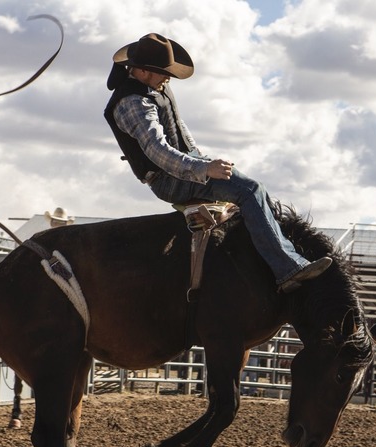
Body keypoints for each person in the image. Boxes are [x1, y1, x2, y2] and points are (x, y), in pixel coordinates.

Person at [104, 33, 332, 293]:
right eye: (162, 73)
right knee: (249, 190)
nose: (168, 78)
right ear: (143, 71)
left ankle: (277, 256)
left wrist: (202, 158)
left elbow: (179, 129)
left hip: (183, 167)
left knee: (257, 191)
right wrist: (203, 168)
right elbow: (158, 152)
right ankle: (288, 269)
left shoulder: (153, 87)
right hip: (168, 178)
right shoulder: (132, 102)